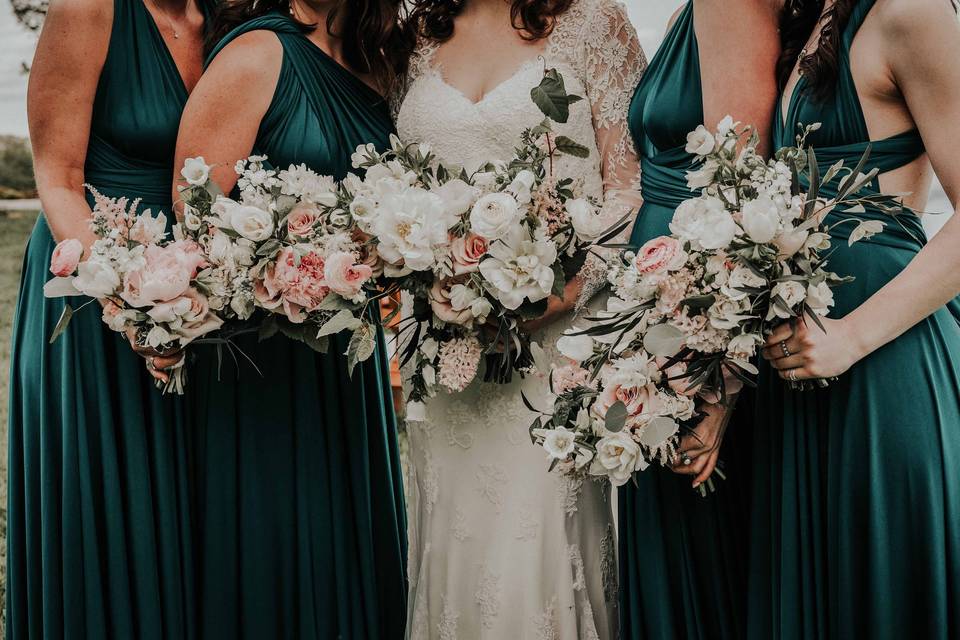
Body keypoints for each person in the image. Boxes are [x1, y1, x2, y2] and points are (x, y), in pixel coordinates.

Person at [395, 0, 644, 637]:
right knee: (451, 539)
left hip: (556, 349)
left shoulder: (592, 20)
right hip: (447, 347)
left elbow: (630, 183)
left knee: (533, 544)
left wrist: (563, 290)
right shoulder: (419, 30)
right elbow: (400, 187)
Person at [171, 1, 411, 637]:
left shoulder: (378, 60)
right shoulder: (256, 55)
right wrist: (284, 274)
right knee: (275, 542)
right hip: (262, 362)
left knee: (348, 533)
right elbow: (194, 218)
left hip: (350, 352)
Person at [754, 0, 960, 636]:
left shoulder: (912, 13)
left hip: (883, 364)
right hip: (801, 372)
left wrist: (850, 338)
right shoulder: (812, 18)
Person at [7, 0, 211, 636]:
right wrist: (128, 298)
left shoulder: (228, 17)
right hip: (92, 272)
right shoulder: (89, 8)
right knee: (108, 501)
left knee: (180, 501)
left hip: (194, 289)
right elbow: (58, 176)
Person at [619, 2, 782, 638]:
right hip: (668, 308)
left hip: (693, 331)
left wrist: (715, 389)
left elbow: (743, 193)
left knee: (695, 558)